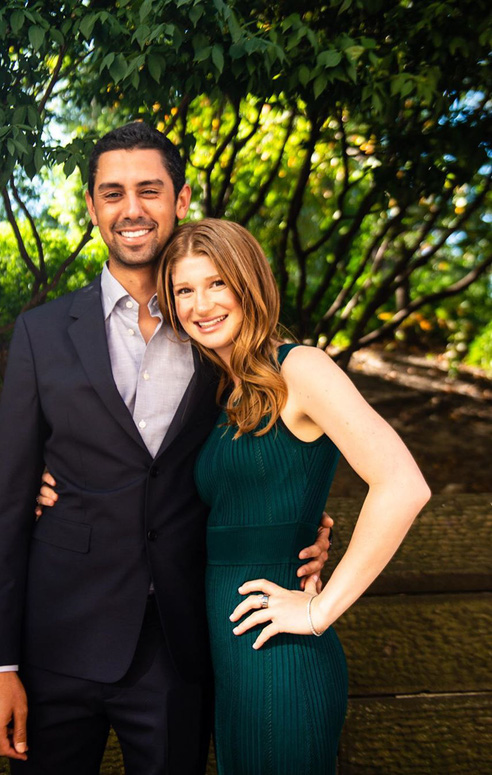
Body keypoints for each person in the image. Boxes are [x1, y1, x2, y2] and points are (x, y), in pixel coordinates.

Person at [0, 122, 331, 775]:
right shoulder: (40, 333)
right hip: (56, 642)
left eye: (149, 190)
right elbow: (7, 507)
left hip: (180, 643)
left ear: (180, 199)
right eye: (113, 193)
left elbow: (269, 452)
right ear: (92, 206)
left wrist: (306, 523)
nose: (131, 209)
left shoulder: (218, 332)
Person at [151, 218, 429, 773]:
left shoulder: (300, 367)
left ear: (248, 284)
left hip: (281, 656)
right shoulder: (222, 389)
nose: (201, 305)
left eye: (217, 283)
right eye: (184, 290)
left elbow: (403, 484)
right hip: (231, 657)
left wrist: (320, 611)